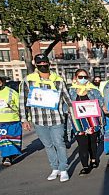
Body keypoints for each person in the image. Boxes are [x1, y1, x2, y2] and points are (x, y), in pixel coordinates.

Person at [19, 54, 72, 182]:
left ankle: (63, 168)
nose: (43, 65)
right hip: (38, 119)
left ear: (49, 64)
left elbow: (67, 98)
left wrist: (73, 112)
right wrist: (24, 119)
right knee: (48, 145)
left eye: (45, 63)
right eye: (40, 63)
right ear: (35, 65)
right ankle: (55, 168)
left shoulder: (58, 79)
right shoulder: (28, 80)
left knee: (59, 143)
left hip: (56, 118)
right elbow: (23, 100)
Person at [68, 69, 104, 175]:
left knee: (92, 142)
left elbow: (101, 102)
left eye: (85, 77)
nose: (83, 79)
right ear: (75, 78)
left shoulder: (93, 90)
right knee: (82, 144)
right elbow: (66, 106)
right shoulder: (71, 91)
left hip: (92, 120)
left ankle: (93, 159)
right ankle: (85, 165)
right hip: (78, 122)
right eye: (80, 77)